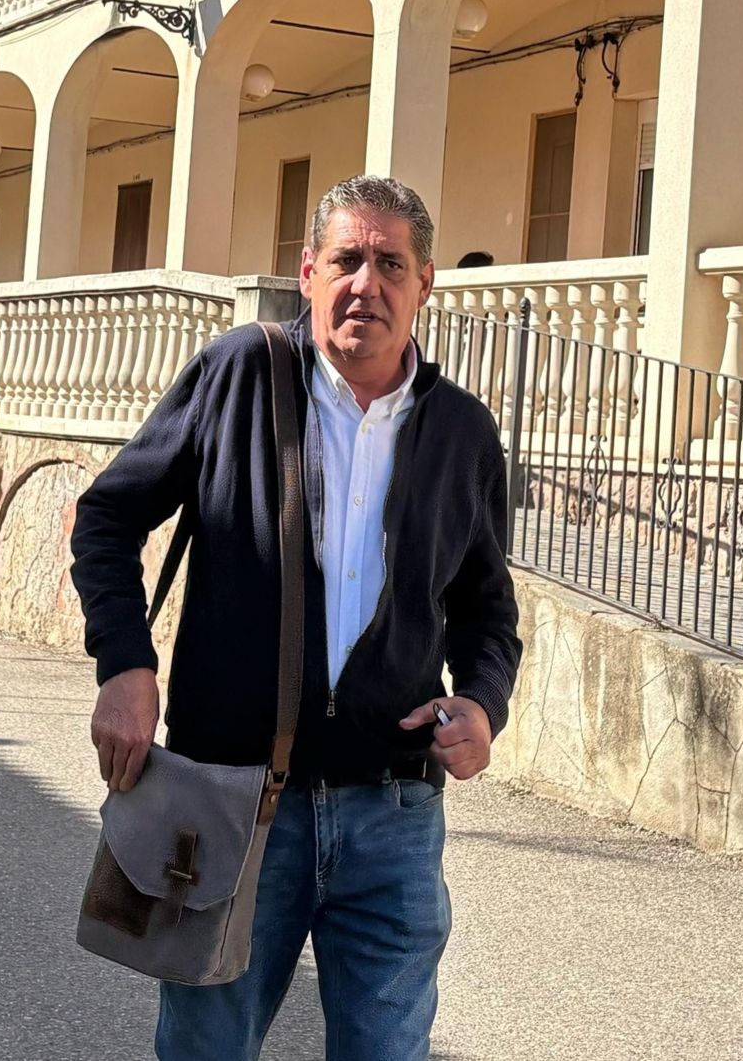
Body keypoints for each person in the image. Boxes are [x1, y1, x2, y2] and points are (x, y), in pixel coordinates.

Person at [72, 176, 521, 1061]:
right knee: (208, 1050)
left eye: (392, 263)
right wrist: (125, 665)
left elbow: (485, 609)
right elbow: (108, 515)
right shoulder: (241, 372)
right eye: (348, 260)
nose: (369, 283)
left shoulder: (464, 432)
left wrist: (482, 704)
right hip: (238, 808)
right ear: (308, 272)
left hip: (393, 814)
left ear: (425, 284)